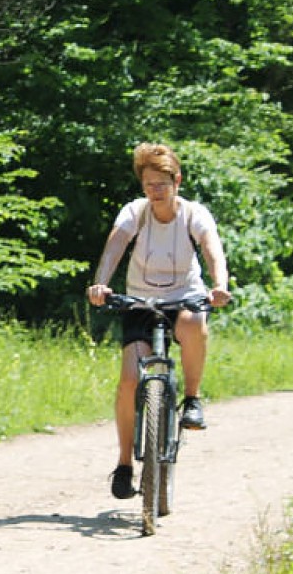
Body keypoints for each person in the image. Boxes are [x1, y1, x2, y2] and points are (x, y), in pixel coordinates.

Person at [86, 143, 231, 501]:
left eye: (162, 184)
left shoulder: (194, 214)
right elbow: (116, 244)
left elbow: (212, 248)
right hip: (140, 301)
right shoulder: (136, 212)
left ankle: (193, 399)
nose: (155, 191)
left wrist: (220, 286)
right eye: (149, 184)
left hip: (184, 297)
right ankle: (123, 464)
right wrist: (102, 282)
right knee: (129, 381)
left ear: (177, 180)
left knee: (195, 322)